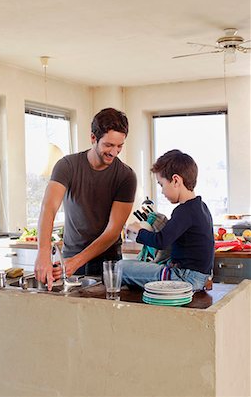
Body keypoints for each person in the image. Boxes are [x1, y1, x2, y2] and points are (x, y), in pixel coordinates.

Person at [35, 108, 137, 290]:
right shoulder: (67, 166)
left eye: (119, 146)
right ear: (93, 138)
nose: (114, 152)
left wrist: (76, 262)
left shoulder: (126, 177)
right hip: (70, 256)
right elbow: (48, 208)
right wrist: (43, 252)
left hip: (108, 261)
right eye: (108, 145)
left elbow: (113, 231)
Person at [121, 149, 214, 292]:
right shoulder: (200, 207)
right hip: (200, 277)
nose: (162, 192)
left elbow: (161, 241)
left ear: (176, 180)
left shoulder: (184, 211)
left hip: (184, 278)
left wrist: (138, 232)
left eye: (161, 184)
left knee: (120, 267)